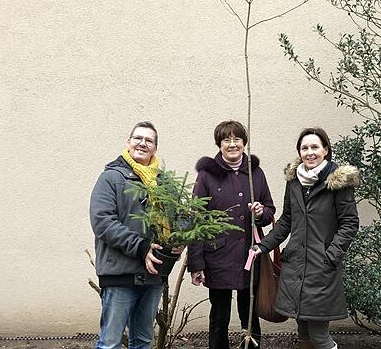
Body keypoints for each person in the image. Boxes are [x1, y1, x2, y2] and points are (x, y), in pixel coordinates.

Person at [253, 127, 360, 349]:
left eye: (315, 147)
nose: (309, 152)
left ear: (326, 150)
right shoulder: (294, 181)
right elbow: (286, 221)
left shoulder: (338, 183)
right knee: (303, 333)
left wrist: (330, 256)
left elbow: (350, 224)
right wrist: (263, 246)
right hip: (295, 268)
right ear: (299, 152)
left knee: (320, 336)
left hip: (321, 269)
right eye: (305, 148)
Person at [90, 121, 179, 349]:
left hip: (153, 275)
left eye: (149, 140)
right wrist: (142, 247)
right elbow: (103, 222)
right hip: (120, 274)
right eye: (138, 138)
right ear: (128, 143)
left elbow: (180, 217)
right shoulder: (111, 178)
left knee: (143, 342)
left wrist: (180, 240)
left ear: (155, 148)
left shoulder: (164, 183)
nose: (142, 143)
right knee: (109, 342)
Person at [188, 120, 276, 349]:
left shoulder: (255, 173)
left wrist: (260, 212)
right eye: (226, 140)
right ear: (219, 144)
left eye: (237, 139)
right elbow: (196, 221)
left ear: (244, 143)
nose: (232, 144)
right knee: (219, 316)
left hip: (250, 256)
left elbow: (270, 211)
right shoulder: (207, 176)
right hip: (217, 258)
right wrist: (196, 264)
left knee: (250, 315)